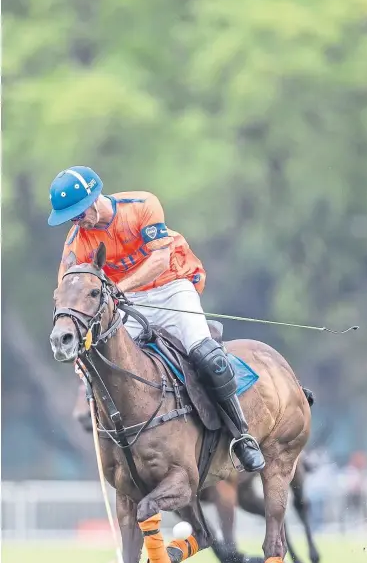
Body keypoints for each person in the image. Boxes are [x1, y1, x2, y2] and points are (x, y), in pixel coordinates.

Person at [49, 165, 265, 473]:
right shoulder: (76, 242)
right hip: (127, 301)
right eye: (70, 217)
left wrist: (118, 290)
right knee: (109, 366)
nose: (76, 221)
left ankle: (242, 436)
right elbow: (68, 287)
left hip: (171, 285)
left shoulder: (141, 206)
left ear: (94, 198)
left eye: (79, 213)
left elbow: (160, 258)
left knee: (206, 354)